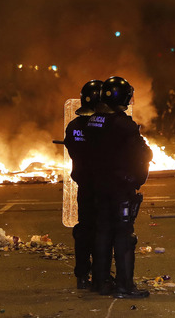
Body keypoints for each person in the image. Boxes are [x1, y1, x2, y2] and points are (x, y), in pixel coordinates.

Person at [85, 76, 154, 299]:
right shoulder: (124, 124)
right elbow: (143, 153)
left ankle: (101, 281)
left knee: (102, 233)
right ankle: (124, 286)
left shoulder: (93, 121)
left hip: (98, 186)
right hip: (120, 188)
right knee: (124, 236)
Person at [63, 79, 103, 290]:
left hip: (83, 185)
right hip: (103, 187)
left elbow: (72, 150)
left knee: (84, 230)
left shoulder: (74, 126)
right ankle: (100, 275)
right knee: (102, 231)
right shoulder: (102, 125)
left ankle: (82, 275)